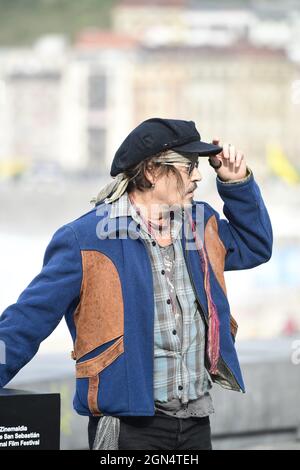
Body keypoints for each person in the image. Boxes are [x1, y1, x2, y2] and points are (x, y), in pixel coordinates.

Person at [0, 118, 273, 450]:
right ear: (152, 173)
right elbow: (26, 321)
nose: (199, 176)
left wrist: (236, 184)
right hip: (127, 430)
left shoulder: (202, 224)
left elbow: (255, 245)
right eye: (189, 167)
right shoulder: (83, 240)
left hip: (196, 422)